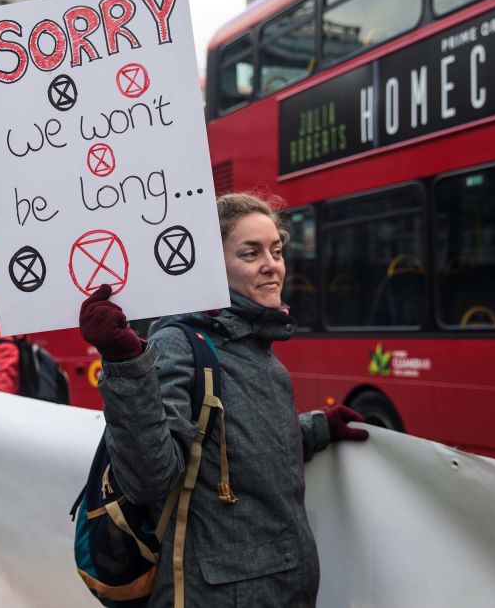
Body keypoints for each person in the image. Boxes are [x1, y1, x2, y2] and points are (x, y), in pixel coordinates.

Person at [79, 192, 368, 607]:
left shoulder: (256, 347)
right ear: (212, 266)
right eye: (251, 253)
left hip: (283, 589)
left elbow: (233, 448)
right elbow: (149, 478)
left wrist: (316, 428)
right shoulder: (180, 343)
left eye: (277, 250)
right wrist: (125, 364)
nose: (272, 265)